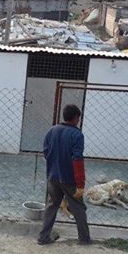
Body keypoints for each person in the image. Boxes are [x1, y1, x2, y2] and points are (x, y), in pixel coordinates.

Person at [38, 103, 91, 246]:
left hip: (53, 176)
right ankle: (84, 239)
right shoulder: (77, 135)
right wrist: (80, 184)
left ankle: (43, 237)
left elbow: (46, 152)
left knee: (51, 205)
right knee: (78, 207)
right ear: (76, 118)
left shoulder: (52, 130)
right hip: (69, 179)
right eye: (78, 118)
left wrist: (54, 165)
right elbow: (77, 160)